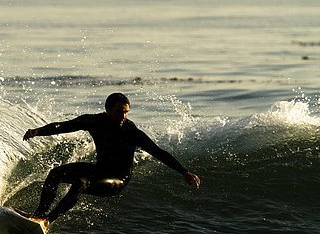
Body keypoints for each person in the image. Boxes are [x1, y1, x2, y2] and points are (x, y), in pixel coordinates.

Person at [23, 93, 200, 226]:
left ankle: (47, 221)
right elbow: (63, 126)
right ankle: (38, 215)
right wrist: (37, 131)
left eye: (126, 113)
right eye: (119, 112)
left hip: (117, 179)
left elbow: (158, 152)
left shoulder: (131, 132)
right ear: (108, 110)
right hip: (99, 170)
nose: (123, 116)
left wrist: (184, 172)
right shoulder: (94, 121)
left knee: (81, 183)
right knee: (55, 173)